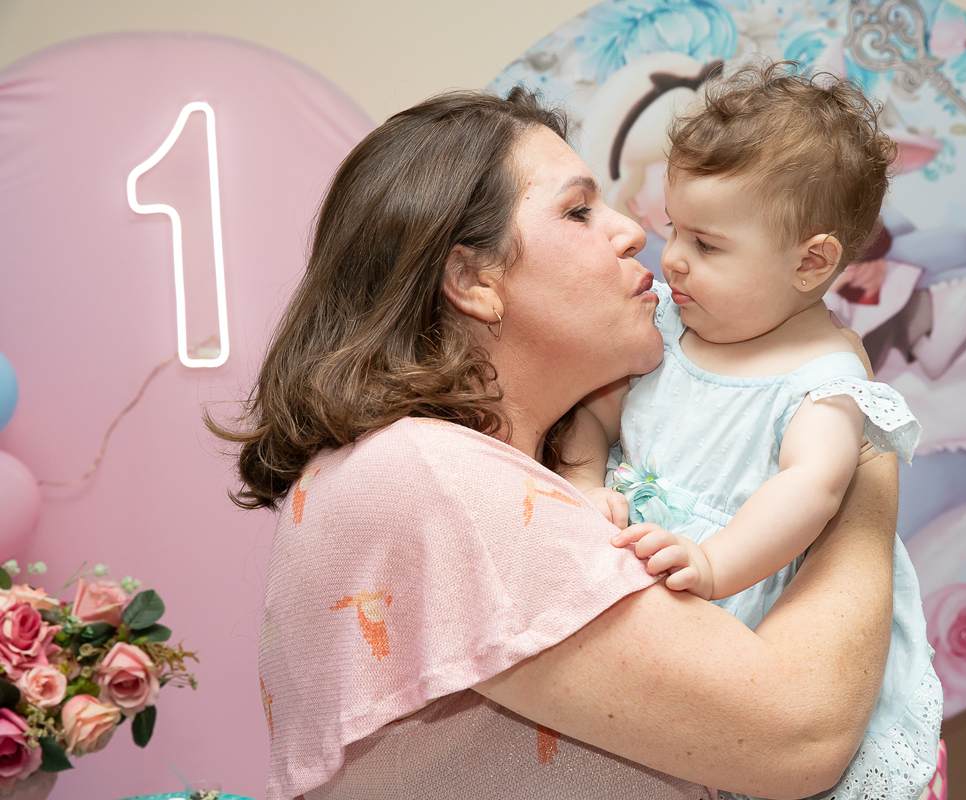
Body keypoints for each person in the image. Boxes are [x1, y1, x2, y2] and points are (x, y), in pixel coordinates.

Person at [215, 86, 904, 800]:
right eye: (579, 211)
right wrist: (865, 445)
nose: (634, 233)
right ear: (474, 281)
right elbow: (801, 737)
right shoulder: (435, 476)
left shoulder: (469, 469)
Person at [560, 63, 941, 800]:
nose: (672, 258)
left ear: (811, 262)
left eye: (707, 245)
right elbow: (596, 409)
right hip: (646, 577)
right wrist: (582, 476)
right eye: (674, 229)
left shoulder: (825, 376)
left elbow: (812, 486)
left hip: (747, 587)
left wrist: (715, 563)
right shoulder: (668, 322)